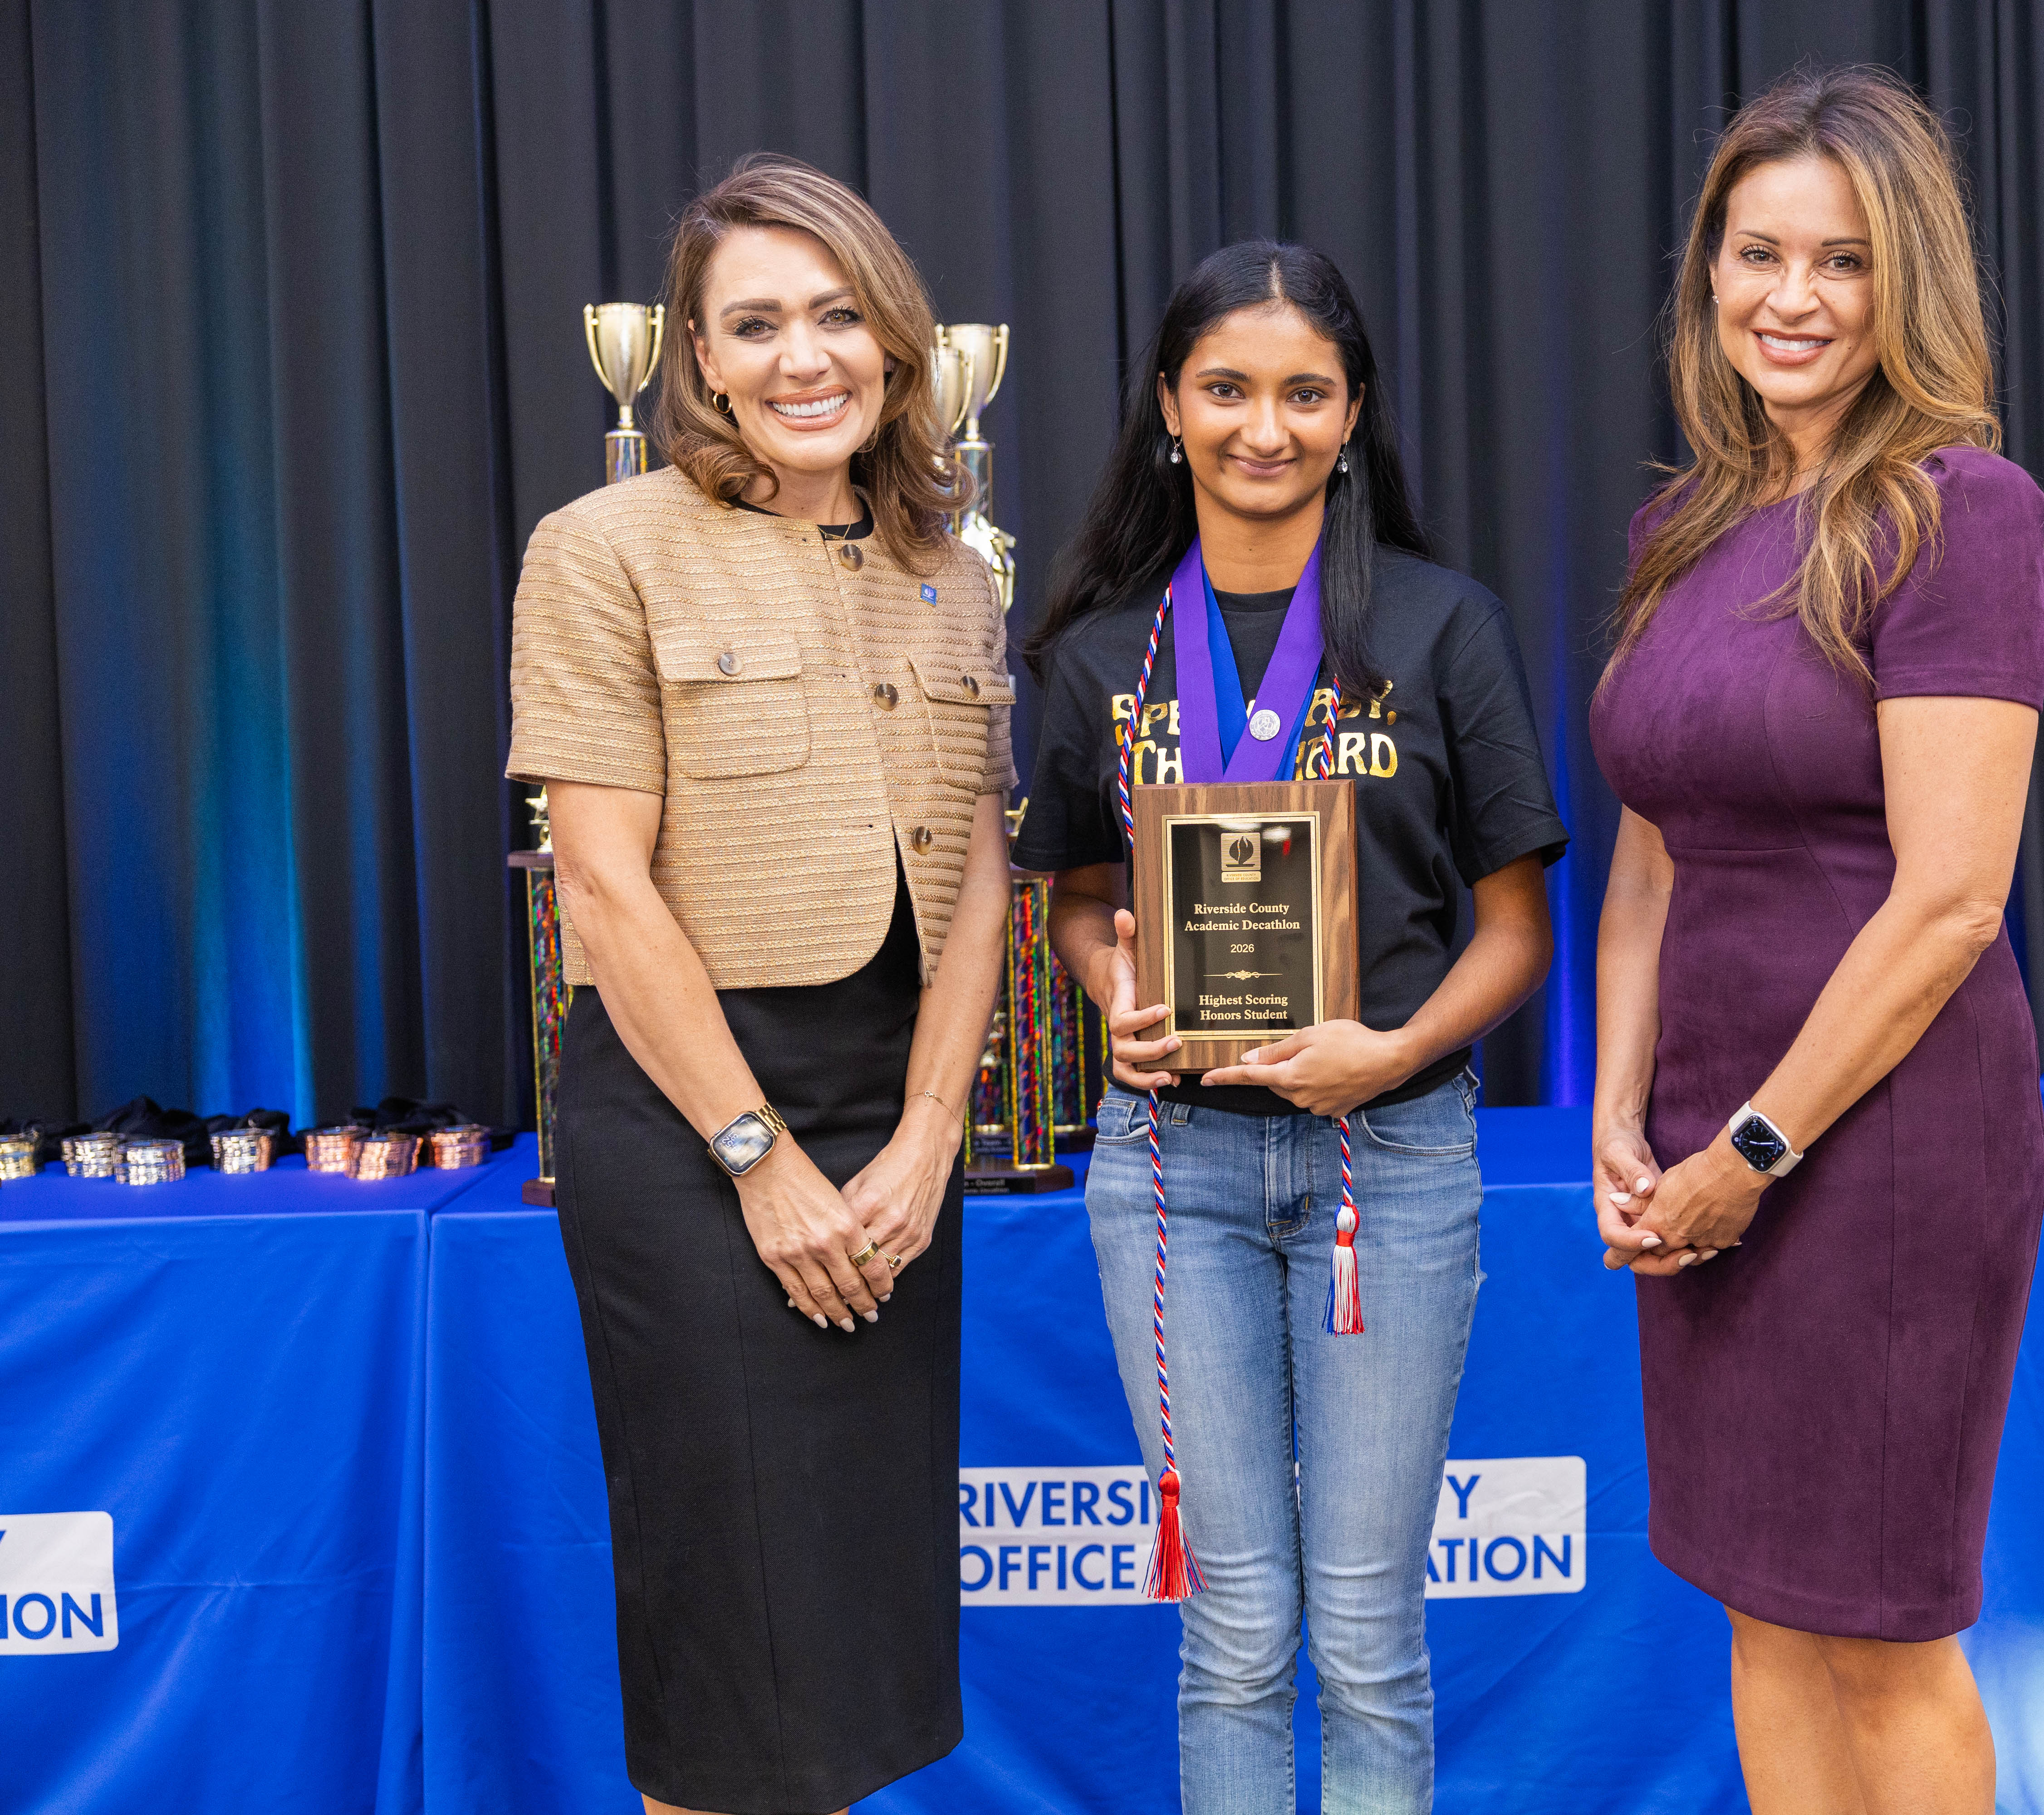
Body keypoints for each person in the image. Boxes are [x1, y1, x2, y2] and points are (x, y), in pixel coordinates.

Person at [1016, 240, 1566, 1813]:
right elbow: (1075, 899)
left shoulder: (1446, 628)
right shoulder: (1101, 652)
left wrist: (1392, 1053)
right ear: (1169, 407)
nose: (1266, 428)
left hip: (1390, 1165)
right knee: (1238, 1631)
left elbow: (1518, 933)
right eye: (1228, 390)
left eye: (1305, 393)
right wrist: (1113, 992)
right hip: (1169, 1169)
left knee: (1371, 1635)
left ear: (1354, 411)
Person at [506, 153, 1012, 1815]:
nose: (806, 357)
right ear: (702, 361)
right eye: (757, 324)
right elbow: (602, 886)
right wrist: (757, 1158)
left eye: (838, 315)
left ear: (895, 341)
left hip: (893, 1128)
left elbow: (981, 877)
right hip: (691, 1130)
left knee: (851, 1639)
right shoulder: (604, 548)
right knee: (737, 1644)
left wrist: (934, 1134)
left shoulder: (954, 566)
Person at [1588, 67, 2044, 1815]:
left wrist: (1756, 1150)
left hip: (1881, 1147)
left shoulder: (1960, 510)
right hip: (1705, 1136)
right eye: (1757, 253)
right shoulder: (1685, 530)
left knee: (1879, 1633)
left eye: (1842, 261)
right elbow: (1650, 860)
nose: (1791, 298)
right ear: (1708, 271)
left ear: (1903, 282)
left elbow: (1951, 900)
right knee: (1761, 1602)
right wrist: (1623, 1110)